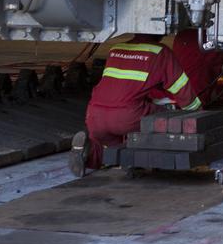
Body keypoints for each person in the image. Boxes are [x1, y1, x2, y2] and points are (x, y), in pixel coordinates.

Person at [69, 33, 202, 177]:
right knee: (166, 116)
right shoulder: (159, 52)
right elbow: (181, 89)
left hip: (95, 116)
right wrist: (197, 113)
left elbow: (126, 83)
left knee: (112, 149)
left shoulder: (116, 48)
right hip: (126, 117)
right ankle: (137, 158)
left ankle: (88, 152)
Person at [171, 29, 223, 106]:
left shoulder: (181, 36)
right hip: (196, 98)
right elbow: (215, 68)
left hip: (176, 96)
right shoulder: (209, 38)